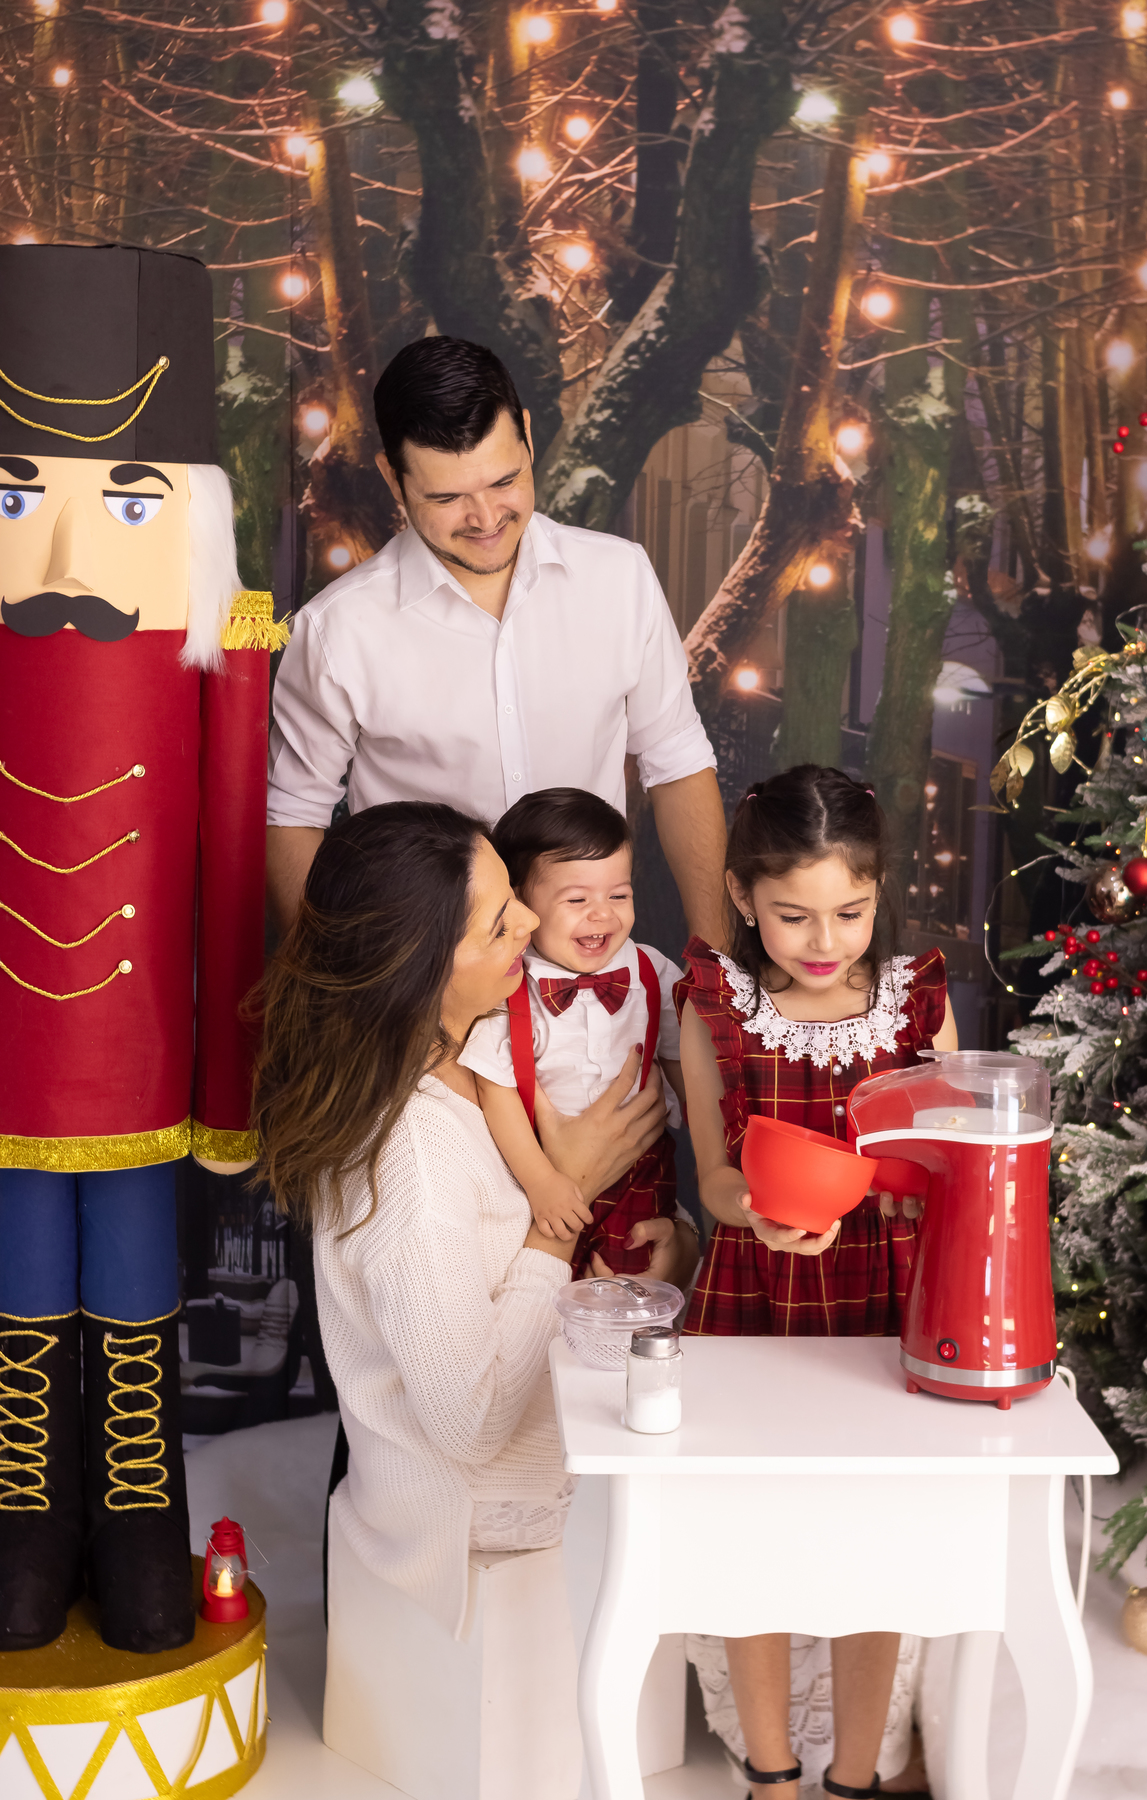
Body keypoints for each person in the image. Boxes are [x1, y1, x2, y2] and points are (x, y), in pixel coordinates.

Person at [0, 244, 282, 1655]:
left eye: (121, 500)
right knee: (16, 1287)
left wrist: (228, 1094)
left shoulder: (222, 651)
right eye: (11, 497)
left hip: (142, 1067)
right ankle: (25, 1517)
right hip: (7, 1066)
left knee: (131, 1287)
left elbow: (234, 882)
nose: (61, 559)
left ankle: (137, 1510)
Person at [252, 802, 699, 1639]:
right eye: (501, 922)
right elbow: (472, 1424)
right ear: (422, 964)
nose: (532, 920)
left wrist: (679, 1245)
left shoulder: (496, 1031)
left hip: (572, 1406)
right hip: (487, 1496)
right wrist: (558, 1217)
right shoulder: (409, 1151)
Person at [678, 766, 954, 1799]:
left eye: (850, 909)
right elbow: (710, 1176)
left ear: (881, 892)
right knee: (752, 1536)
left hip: (884, 1298)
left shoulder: (916, 1001)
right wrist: (760, 1209)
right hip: (756, 1298)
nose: (824, 939)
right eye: (793, 915)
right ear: (746, 899)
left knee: (873, 1546)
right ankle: (770, 1774)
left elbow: (946, 1157)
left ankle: (854, 1776)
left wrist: (895, 1186)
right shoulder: (717, 1008)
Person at [265, 334, 726, 951]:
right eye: (447, 497)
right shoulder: (336, 629)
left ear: (529, 437)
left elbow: (674, 761)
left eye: (505, 480)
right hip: (427, 978)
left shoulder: (622, 578)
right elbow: (293, 814)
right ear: (393, 479)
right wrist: (348, 995)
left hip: (594, 968)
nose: (485, 519)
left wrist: (718, 962)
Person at [460, 787, 686, 1278]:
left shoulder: (652, 970)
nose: (602, 914)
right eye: (577, 899)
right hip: (542, 1174)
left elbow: (680, 1060)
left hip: (642, 1170)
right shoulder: (510, 987)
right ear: (520, 901)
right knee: (554, 1293)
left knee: (636, 1284)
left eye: (618, 895)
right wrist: (542, 1181)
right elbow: (495, 1091)